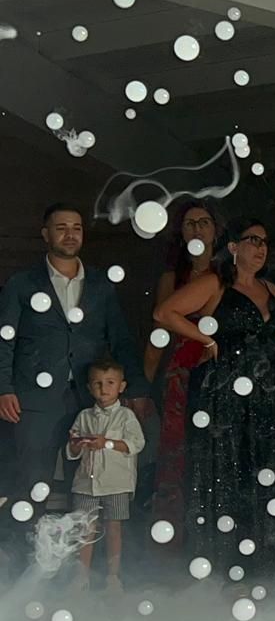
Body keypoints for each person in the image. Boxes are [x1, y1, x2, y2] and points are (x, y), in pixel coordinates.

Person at [153, 218, 275, 573]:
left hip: (266, 396)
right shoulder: (215, 282)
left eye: (265, 241)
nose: (261, 247)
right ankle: (224, 561)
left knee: (261, 469)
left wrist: (272, 355)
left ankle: (261, 560)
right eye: (253, 240)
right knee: (226, 469)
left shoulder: (271, 287)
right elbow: (164, 312)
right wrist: (207, 339)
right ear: (234, 247)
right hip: (223, 394)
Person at [1, 203, 148, 526]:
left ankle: (75, 567)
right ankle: (24, 565)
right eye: (61, 227)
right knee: (30, 483)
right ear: (45, 234)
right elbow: (4, 339)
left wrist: (136, 388)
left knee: (85, 488)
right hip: (34, 401)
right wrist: (3, 388)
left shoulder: (100, 285)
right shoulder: (22, 283)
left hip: (89, 400)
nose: (70, 235)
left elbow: (121, 338)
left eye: (77, 228)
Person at [144, 199, 222, 538]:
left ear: (216, 230)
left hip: (217, 369)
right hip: (180, 369)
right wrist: (144, 386)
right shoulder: (171, 277)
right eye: (190, 223)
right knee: (176, 449)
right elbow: (158, 334)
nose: (197, 228)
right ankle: (172, 536)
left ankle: (207, 533)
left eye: (204, 222)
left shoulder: (228, 275)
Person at [63, 356, 145, 592]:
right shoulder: (84, 416)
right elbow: (72, 451)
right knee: (85, 529)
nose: (103, 388)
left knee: (113, 527)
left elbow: (135, 444)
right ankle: (81, 577)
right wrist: (76, 445)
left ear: (121, 386)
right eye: (97, 383)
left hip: (115, 483)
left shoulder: (126, 417)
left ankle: (113, 576)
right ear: (89, 387)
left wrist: (107, 443)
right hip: (85, 483)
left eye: (110, 382)